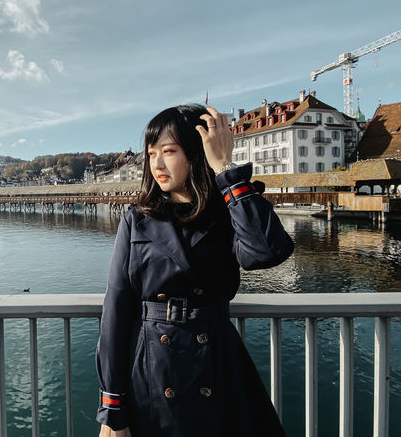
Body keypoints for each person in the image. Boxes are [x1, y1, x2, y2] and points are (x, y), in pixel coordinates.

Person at [96, 104, 294, 437]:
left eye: (169, 151)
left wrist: (225, 169)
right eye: (151, 153)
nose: (157, 163)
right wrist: (112, 405)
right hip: (152, 367)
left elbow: (266, 252)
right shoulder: (138, 218)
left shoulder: (229, 209)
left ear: (196, 152)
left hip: (215, 360)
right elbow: (117, 306)